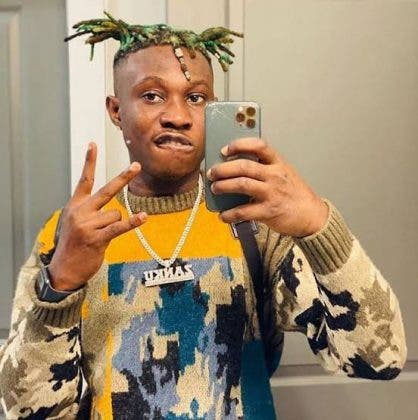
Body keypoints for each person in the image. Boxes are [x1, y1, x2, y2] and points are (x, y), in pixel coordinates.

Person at [0, 13, 407, 420]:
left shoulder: (254, 223)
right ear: (116, 110)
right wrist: (60, 286)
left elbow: (380, 358)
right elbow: (26, 411)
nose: (178, 115)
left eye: (196, 98)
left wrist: (319, 225)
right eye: (152, 96)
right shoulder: (74, 234)